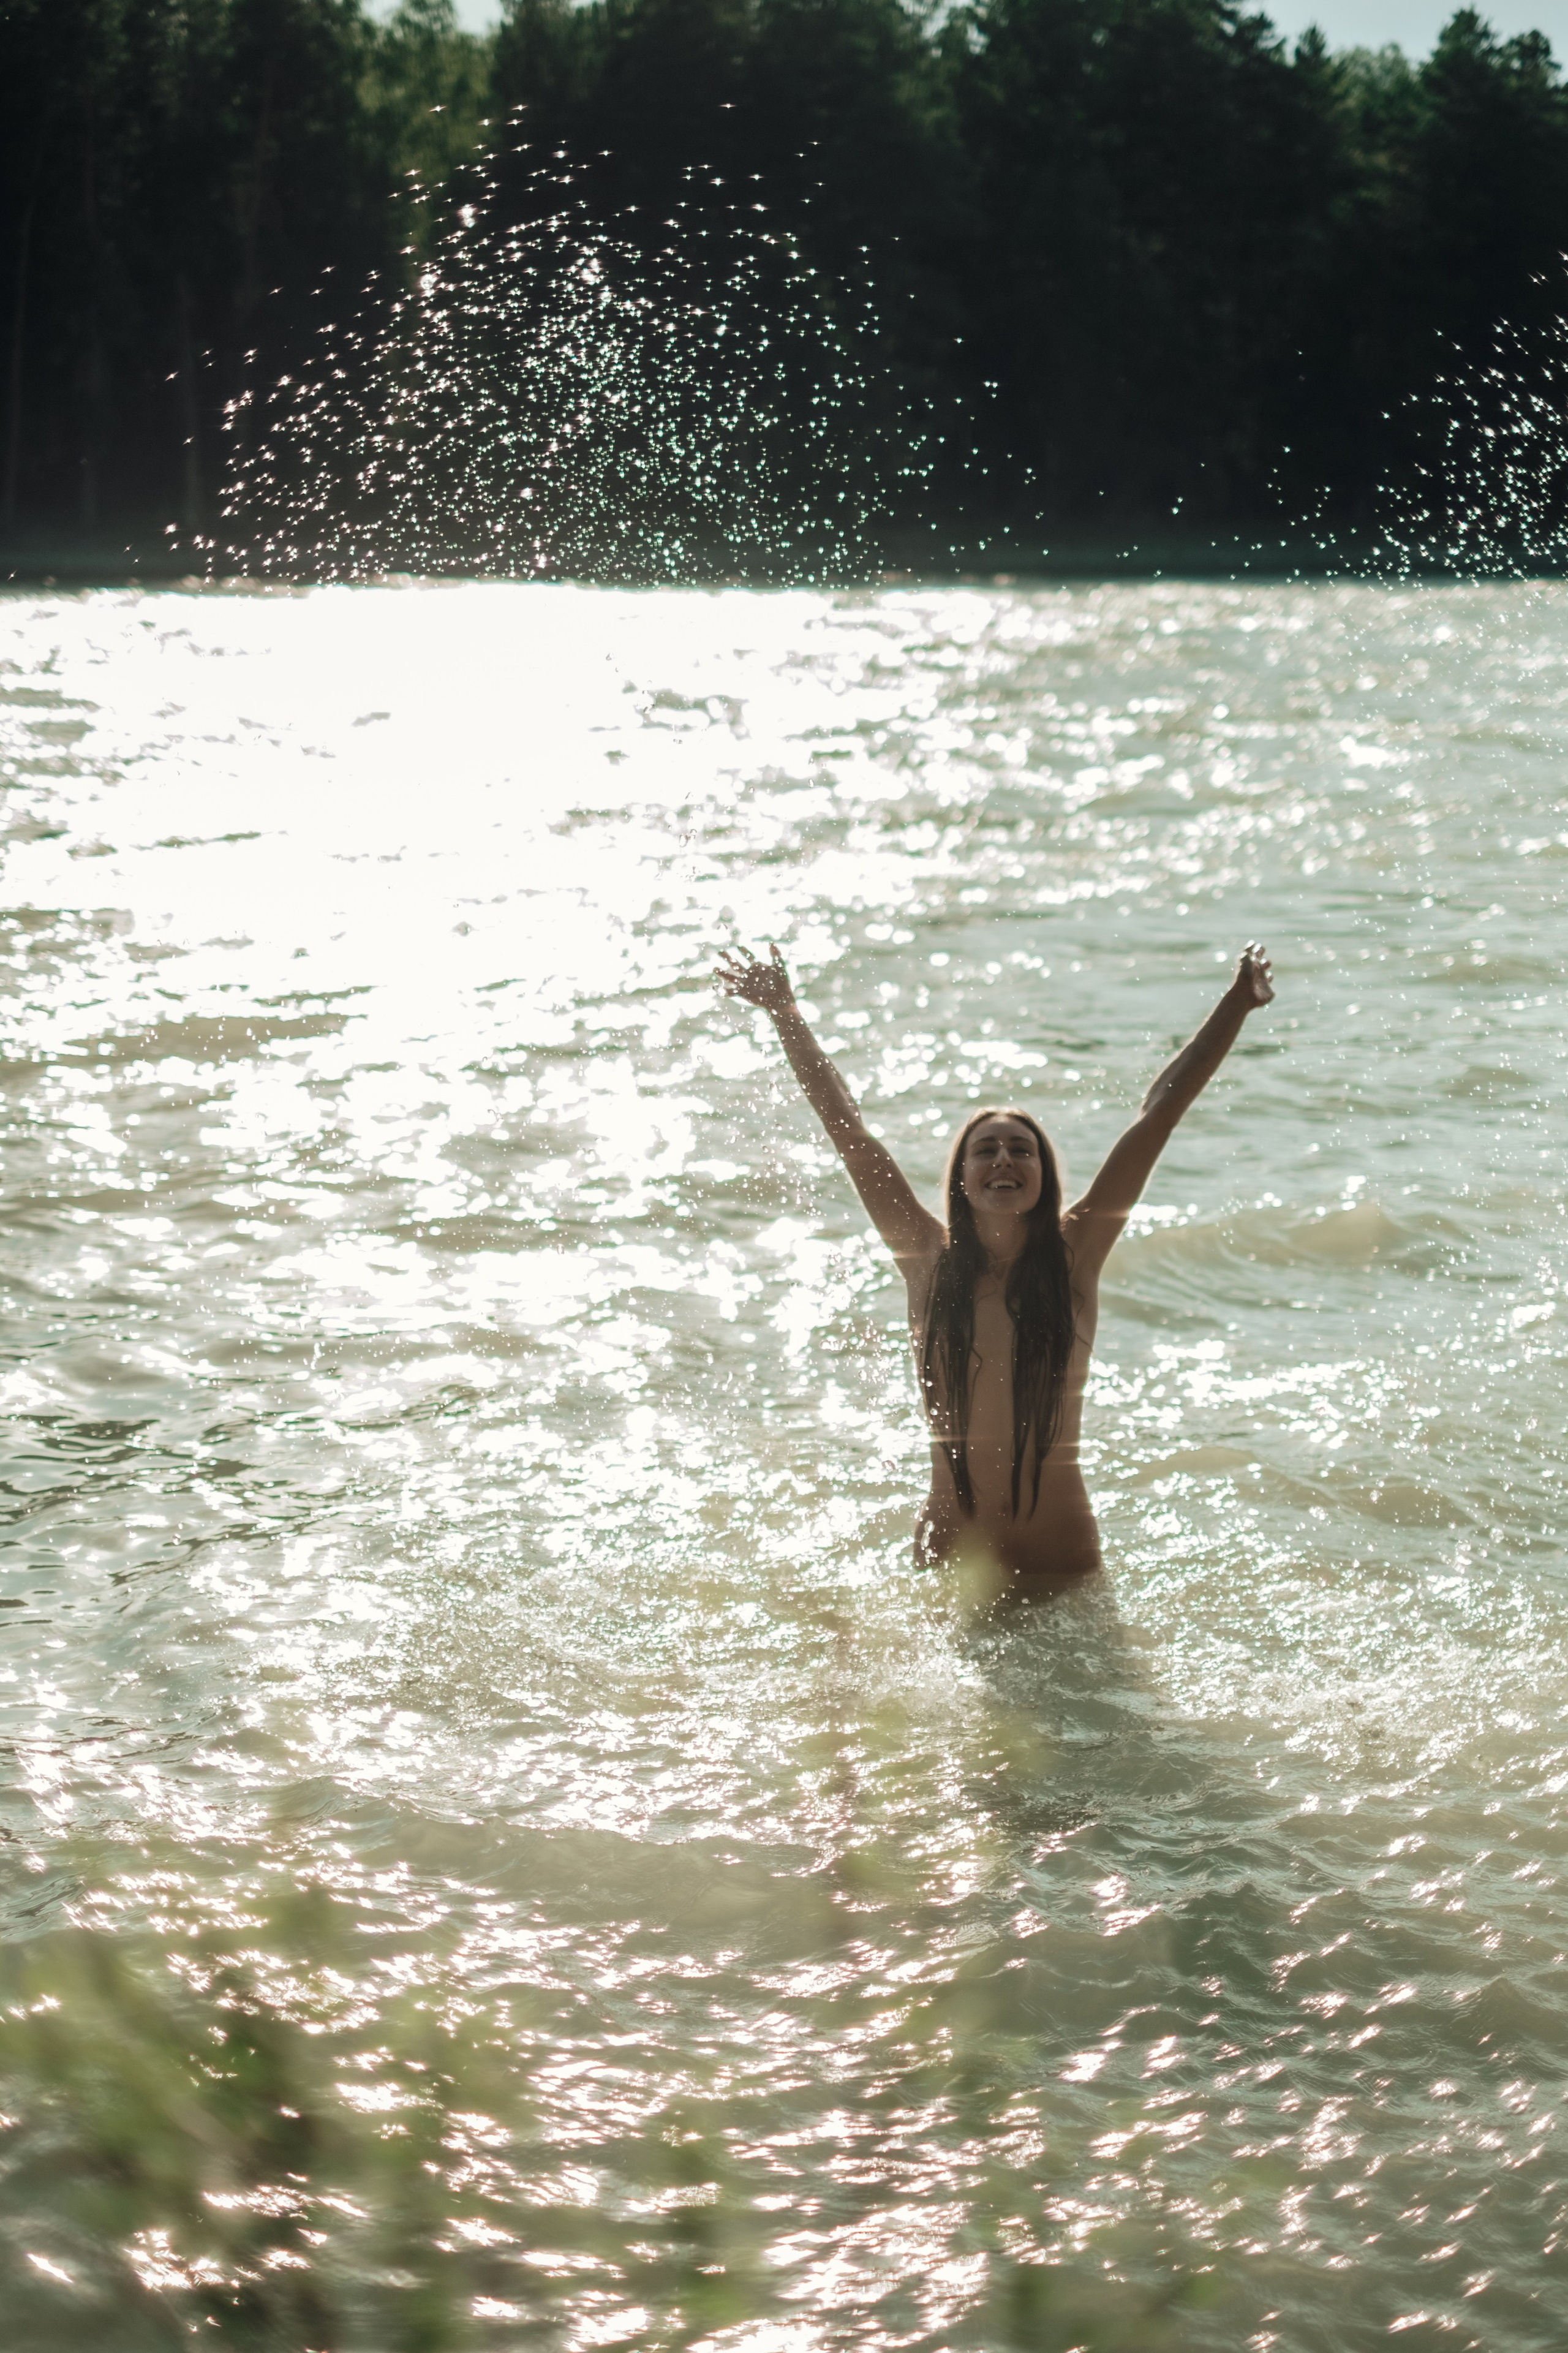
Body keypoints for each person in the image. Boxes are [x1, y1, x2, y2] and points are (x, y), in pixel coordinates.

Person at [715, 940, 1275, 1601]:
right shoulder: (926, 1260)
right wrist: (785, 1013)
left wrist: (1237, 1004)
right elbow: (849, 1130)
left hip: (1061, 1553)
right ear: (961, 1176)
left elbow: (1159, 1113)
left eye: (1021, 1149)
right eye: (986, 1149)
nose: (1004, 1158)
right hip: (954, 1552)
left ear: (1044, 1174)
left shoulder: (1075, 1254)